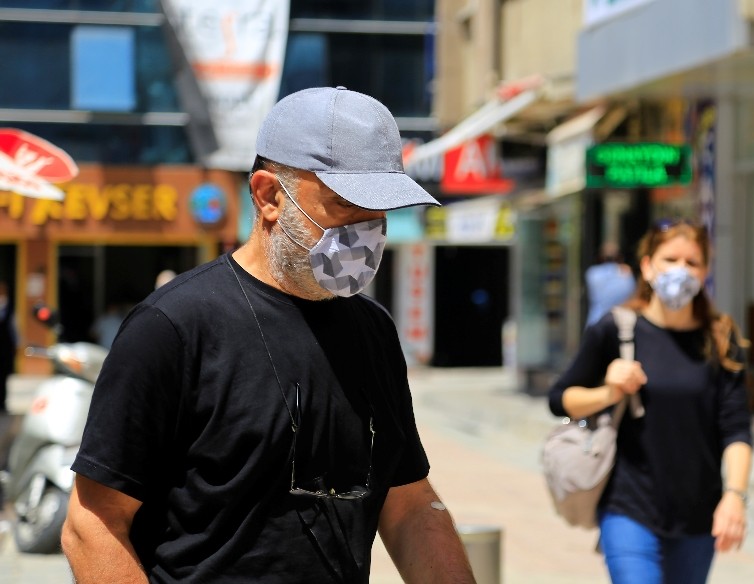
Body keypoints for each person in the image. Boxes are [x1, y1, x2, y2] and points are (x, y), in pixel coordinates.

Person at [61, 87, 475, 583]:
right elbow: (92, 524)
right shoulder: (171, 328)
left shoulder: (373, 332)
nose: (368, 231)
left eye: (380, 212)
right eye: (347, 206)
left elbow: (408, 506)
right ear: (269, 195)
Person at [549, 219, 753, 584]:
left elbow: (736, 429)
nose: (681, 270)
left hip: (698, 514)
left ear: (705, 271)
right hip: (629, 508)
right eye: (670, 259)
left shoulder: (721, 339)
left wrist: (735, 496)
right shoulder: (616, 329)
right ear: (647, 266)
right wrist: (609, 392)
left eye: (692, 263)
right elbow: (560, 399)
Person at [585, 241, 636, 327]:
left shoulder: (592, 273)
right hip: (618, 324)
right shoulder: (625, 275)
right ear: (619, 257)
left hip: (595, 321)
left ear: (600, 257)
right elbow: (631, 294)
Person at [0, 281, 14, 413]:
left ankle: (3, 403)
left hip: (5, 347)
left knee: (4, 377)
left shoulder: (9, 306)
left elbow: (14, 328)